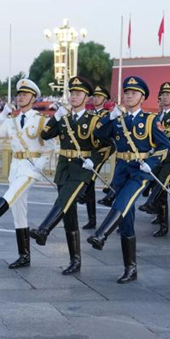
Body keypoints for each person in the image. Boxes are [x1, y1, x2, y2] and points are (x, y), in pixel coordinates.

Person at [87, 76, 170, 283]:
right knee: (127, 220)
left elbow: (165, 147)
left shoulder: (151, 120)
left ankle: (102, 234)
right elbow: (99, 134)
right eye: (126, 92)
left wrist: (150, 163)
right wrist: (110, 116)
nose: (129, 95)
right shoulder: (118, 119)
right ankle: (130, 269)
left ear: (142, 97)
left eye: (133, 93)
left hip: (139, 171)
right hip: (121, 170)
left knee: (122, 201)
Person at [0, 79, 55, 269]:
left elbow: (51, 146)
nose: (21, 97)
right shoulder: (11, 121)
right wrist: (2, 114)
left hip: (31, 167)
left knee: (12, 194)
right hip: (16, 166)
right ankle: (24, 256)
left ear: (33, 97)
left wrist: (41, 164)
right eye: (19, 94)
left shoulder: (41, 120)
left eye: (25, 94)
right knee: (18, 211)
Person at [30, 76, 100, 274]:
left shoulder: (93, 120)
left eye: (78, 94)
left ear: (86, 97)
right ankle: (75, 261)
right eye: (72, 93)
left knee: (64, 199)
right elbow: (45, 135)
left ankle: (44, 229)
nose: (73, 96)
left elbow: (106, 145)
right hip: (64, 169)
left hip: (81, 170)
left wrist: (93, 159)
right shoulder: (65, 118)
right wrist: (56, 116)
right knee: (69, 215)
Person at [138, 82, 170, 238]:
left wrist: (156, 134)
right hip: (158, 154)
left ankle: (151, 204)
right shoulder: (156, 116)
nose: (165, 97)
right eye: (163, 94)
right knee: (157, 184)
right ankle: (162, 221)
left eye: (168, 94)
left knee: (162, 182)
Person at [80, 84, 113, 229]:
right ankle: (91, 219)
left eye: (99, 96)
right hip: (91, 149)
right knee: (91, 182)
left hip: (104, 148)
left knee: (90, 175)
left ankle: (82, 192)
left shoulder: (108, 115)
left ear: (105, 99)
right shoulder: (90, 114)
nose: (95, 98)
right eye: (94, 96)